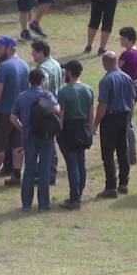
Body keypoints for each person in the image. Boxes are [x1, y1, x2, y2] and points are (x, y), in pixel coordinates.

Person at [0, 36, 30, 189]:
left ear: (10, 47)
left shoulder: (3, 67)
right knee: (17, 145)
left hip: (3, 113)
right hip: (20, 113)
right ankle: (16, 175)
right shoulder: (25, 65)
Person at [10, 69, 60, 212]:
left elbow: (13, 118)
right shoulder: (47, 95)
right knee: (44, 169)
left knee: (29, 169)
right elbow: (57, 110)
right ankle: (44, 205)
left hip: (29, 137)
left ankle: (26, 204)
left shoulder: (22, 96)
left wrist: (23, 129)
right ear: (42, 80)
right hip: (45, 136)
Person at [92, 51, 135, 199]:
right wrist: (130, 118)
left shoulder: (106, 81)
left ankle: (110, 186)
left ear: (105, 63)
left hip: (110, 119)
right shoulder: (127, 78)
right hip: (123, 117)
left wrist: (95, 123)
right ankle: (123, 183)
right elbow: (131, 101)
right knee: (122, 151)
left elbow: (102, 105)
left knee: (108, 154)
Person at [57, 61, 94, 210]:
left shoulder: (64, 92)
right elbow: (91, 113)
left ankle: (74, 198)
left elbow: (61, 115)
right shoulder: (88, 89)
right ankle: (79, 193)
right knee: (81, 161)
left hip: (69, 129)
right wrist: (90, 129)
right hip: (84, 127)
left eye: (66, 71)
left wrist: (58, 131)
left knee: (72, 164)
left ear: (70, 73)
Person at [31, 40, 61, 185]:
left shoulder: (43, 69)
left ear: (41, 52)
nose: (32, 54)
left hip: (45, 108)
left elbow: (42, 87)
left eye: (34, 52)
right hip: (55, 106)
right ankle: (48, 171)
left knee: (46, 141)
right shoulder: (55, 64)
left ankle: (49, 173)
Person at [118, 26, 137, 165]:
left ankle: (131, 154)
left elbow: (115, 69)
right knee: (131, 120)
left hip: (125, 91)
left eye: (123, 38)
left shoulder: (125, 55)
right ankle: (130, 151)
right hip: (133, 91)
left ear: (130, 40)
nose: (121, 40)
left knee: (127, 123)